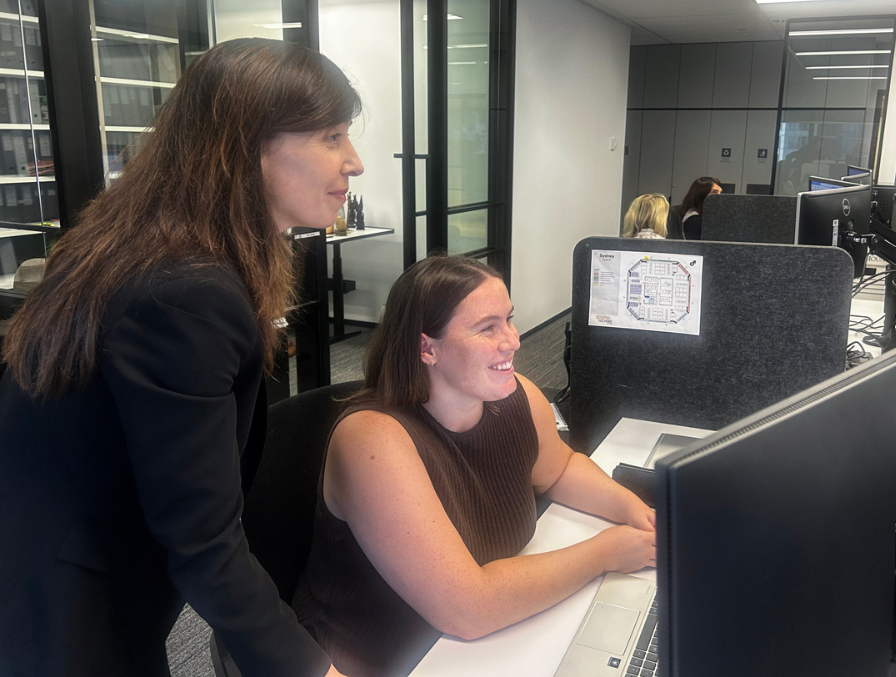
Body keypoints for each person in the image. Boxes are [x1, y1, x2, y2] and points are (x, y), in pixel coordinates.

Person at [0, 39, 360, 677]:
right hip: (61, 603)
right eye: (330, 137)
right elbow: (204, 541)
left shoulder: (148, 243)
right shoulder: (186, 292)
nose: (354, 162)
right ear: (247, 145)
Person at [292, 255, 657, 677]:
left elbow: (559, 469)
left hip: (480, 644)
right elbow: (469, 609)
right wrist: (607, 552)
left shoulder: (516, 395)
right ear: (426, 347)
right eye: (487, 328)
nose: (513, 341)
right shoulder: (373, 439)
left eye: (509, 319)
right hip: (383, 656)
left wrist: (634, 511)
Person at [678, 176, 723, 240]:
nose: (719, 197)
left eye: (720, 193)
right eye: (714, 192)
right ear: (701, 194)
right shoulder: (694, 221)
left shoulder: (706, 216)